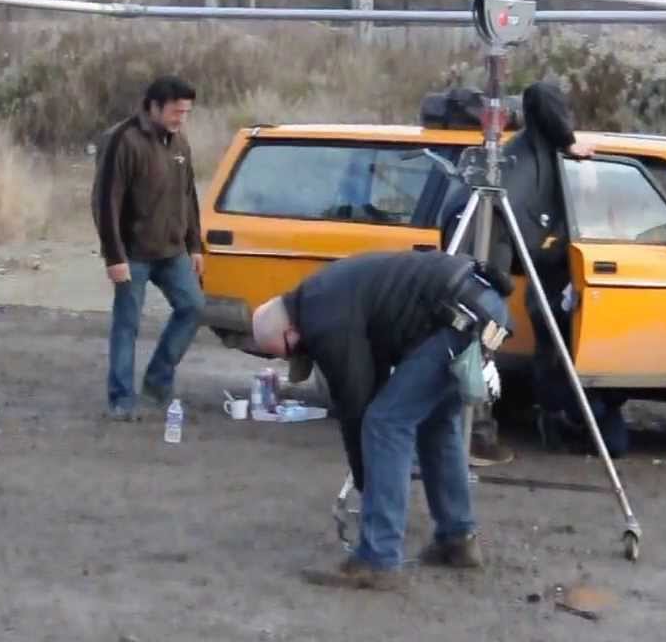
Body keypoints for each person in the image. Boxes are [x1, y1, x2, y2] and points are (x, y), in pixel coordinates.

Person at [251, 250, 512, 590]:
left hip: (459, 319)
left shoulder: (324, 320)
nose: (299, 356)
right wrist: (372, 473)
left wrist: (367, 477)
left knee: (385, 424)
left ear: (290, 331)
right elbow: (369, 377)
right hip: (479, 308)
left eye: (289, 352)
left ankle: (378, 559)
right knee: (436, 423)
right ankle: (457, 539)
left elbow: (354, 404)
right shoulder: (323, 296)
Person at [440, 80, 630, 460]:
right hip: (480, 243)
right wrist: (569, 141)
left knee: (479, 336)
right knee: (478, 336)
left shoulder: (531, 155)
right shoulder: (521, 163)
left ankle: (470, 429)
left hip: (486, 242)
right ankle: (472, 432)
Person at [92, 75, 206, 421]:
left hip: (173, 251)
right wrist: (114, 256)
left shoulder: (179, 143)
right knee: (127, 325)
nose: (180, 119)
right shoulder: (122, 140)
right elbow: (105, 202)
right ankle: (121, 400)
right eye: (175, 112)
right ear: (154, 106)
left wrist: (195, 245)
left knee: (194, 307)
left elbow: (189, 196)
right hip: (133, 254)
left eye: (185, 113)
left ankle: (157, 382)